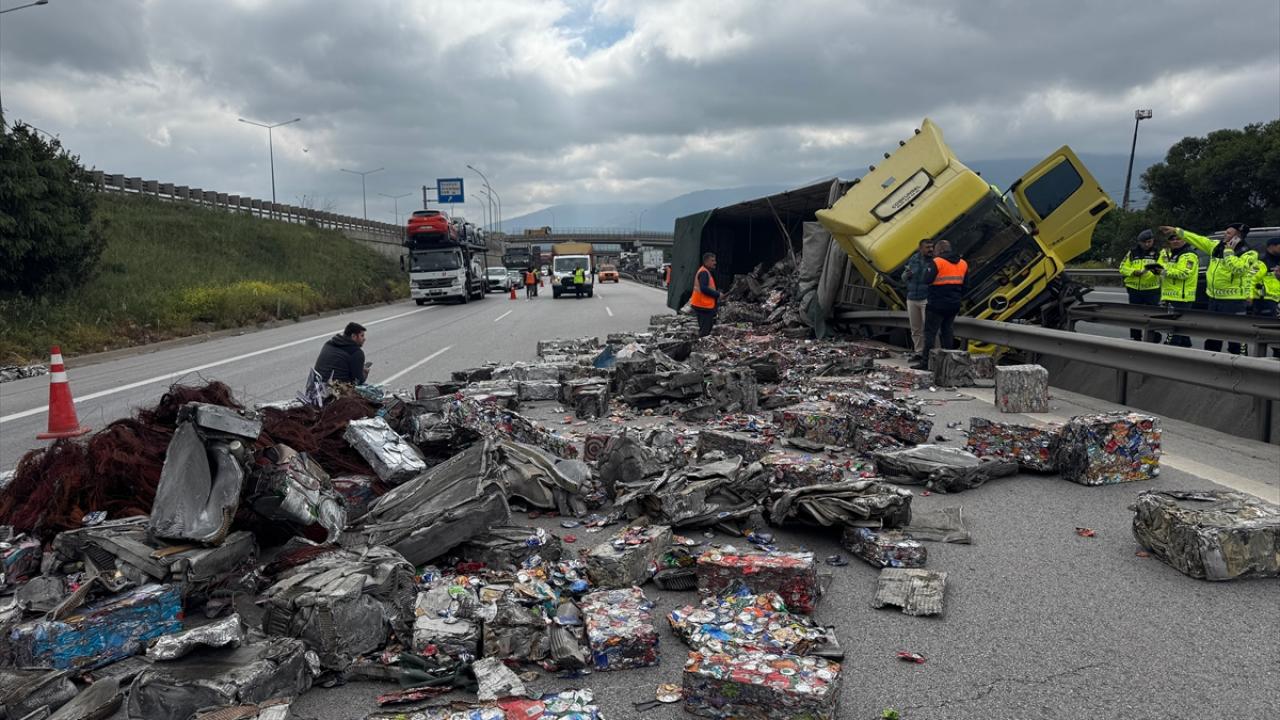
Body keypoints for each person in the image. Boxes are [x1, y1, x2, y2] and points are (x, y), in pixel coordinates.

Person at [1161, 223, 1259, 354]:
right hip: (1214, 299)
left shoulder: (1249, 253)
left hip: (1233, 301)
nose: (1225, 234)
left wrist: (1229, 253)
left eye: (1228, 233)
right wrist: (1177, 231)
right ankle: (1211, 361)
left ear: (1238, 236)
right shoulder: (1216, 246)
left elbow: (1238, 269)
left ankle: (1239, 363)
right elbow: (1198, 239)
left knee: (1236, 338)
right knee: (1212, 337)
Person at [912, 239, 966, 370]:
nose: (933, 251)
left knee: (930, 333)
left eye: (935, 249)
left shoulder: (937, 262)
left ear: (940, 250)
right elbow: (966, 285)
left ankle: (926, 363)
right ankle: (948, 365)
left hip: (936, 304)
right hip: (954, 304)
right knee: (947, 332)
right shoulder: (963, 263)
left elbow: (927, 280)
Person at [1157, 228, 1199, 348]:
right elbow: (1163, 266)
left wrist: (1164, 271)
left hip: (1182, 297)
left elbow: (1184, 273)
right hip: (1170, 295)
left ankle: (1171, 349)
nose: (1175, 241)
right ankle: (1185, 349)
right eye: (1172, 239)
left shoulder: (1189, 255)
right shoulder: (1170, 254)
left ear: (1184, 240)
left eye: (1178, 239)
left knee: (1174, 329)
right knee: (1181, 329)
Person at [1119, 229, 1163, 342]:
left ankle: (1153, 338)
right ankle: (1135, 337)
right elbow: (1122, 268)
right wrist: (1133, 272)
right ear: (1139, 242)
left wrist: (1154, 271)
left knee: (1153, 315)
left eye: (1149, 242)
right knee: (1135, 316)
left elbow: (1163, 268)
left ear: (1153, 241)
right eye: (1144, 242)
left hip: (1152, 289)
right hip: (1134, 290)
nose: (1147, 244)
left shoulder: (1159, 253)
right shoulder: (1132, 253)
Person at [902, 238, 934, 363]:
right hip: (912, 298)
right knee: (915, 328)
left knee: (929, 328)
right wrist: (907, 275)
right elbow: (903, 277)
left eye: (932, 247)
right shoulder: (914, 259)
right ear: (920, 249)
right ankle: (919, 352)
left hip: (926, 298)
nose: (931, 249)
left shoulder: (935, 261)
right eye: (927, 247)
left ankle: (932, 354)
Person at [690, 252, 721, 337]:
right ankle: (700, 343)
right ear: (706, 262)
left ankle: (700, 342)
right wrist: (717, 294)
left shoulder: (706, 271)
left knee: (706, 328)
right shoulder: (704, 272)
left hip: (703, 304)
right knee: (705, 330)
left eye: (715, 260)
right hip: (703, 305)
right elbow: (703, 288)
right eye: (712, 261)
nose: (715, 263)